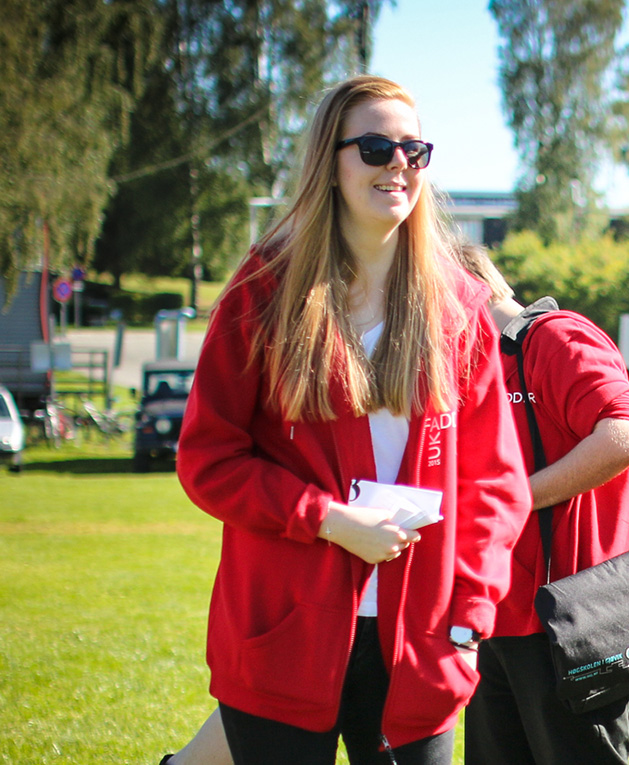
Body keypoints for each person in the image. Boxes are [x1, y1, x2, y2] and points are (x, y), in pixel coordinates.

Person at [173, 75, 531, 765]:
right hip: (282, 639)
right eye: (374, 147)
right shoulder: (264, 293)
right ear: (329, 163)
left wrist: (471, 613)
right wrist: (326, 517)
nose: (397, 164)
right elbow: (208, 459)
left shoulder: (458, 306)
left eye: (414, 150)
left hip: (421, 645)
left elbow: (497, 483)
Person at [460, 258, 629, 764]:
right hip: (494, 615)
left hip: (568, 620)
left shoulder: (554, 335)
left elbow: (623, 438)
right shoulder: (479, 364)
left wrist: (507, 499)